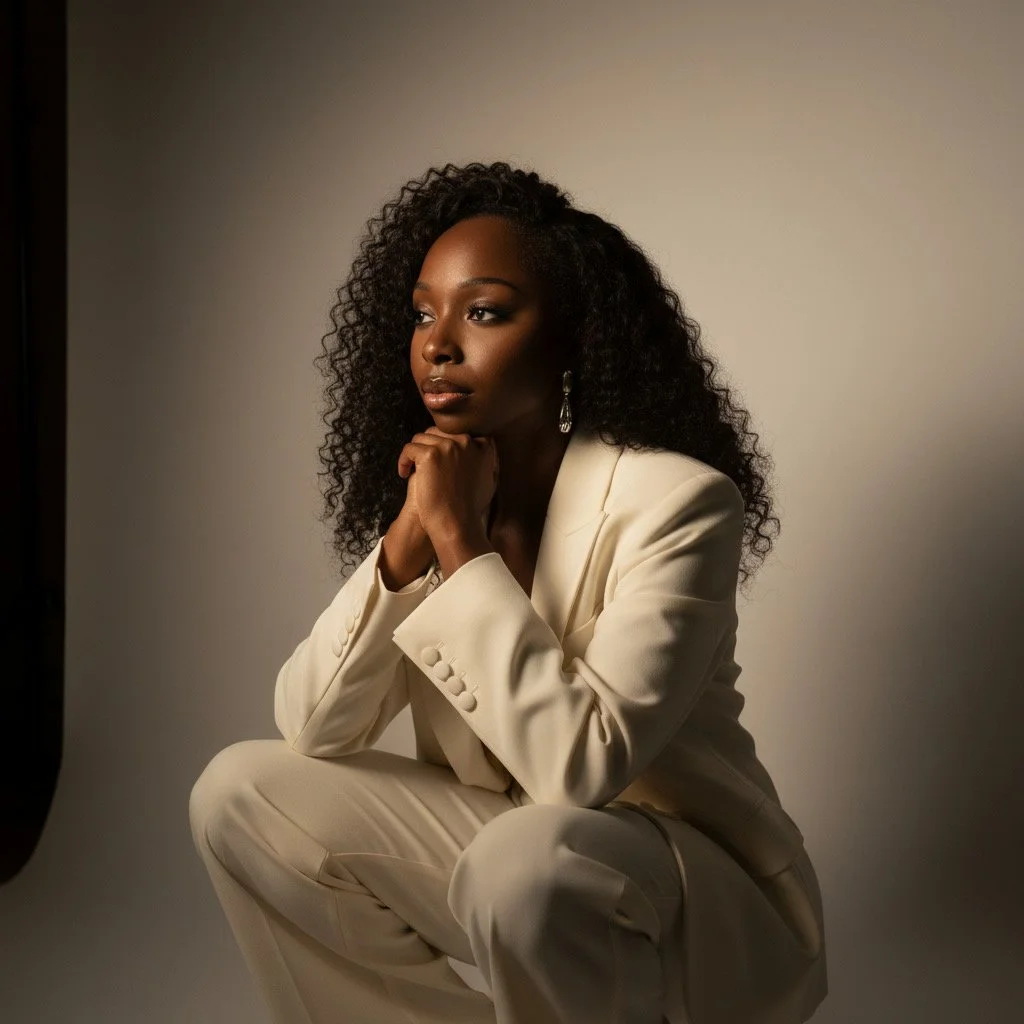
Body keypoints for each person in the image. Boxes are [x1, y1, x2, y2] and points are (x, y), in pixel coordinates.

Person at [189, 160, 828, 1024]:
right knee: (241, 792)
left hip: (685, 895)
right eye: (422, 313)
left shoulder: (677, 503)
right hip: (516, 858)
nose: (437, 343)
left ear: (568, 338)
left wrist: (460, 543)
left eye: (483, 312)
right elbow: (313, 727)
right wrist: (408, 542)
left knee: (525, 856)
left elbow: (579, 770)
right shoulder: (440, 498)